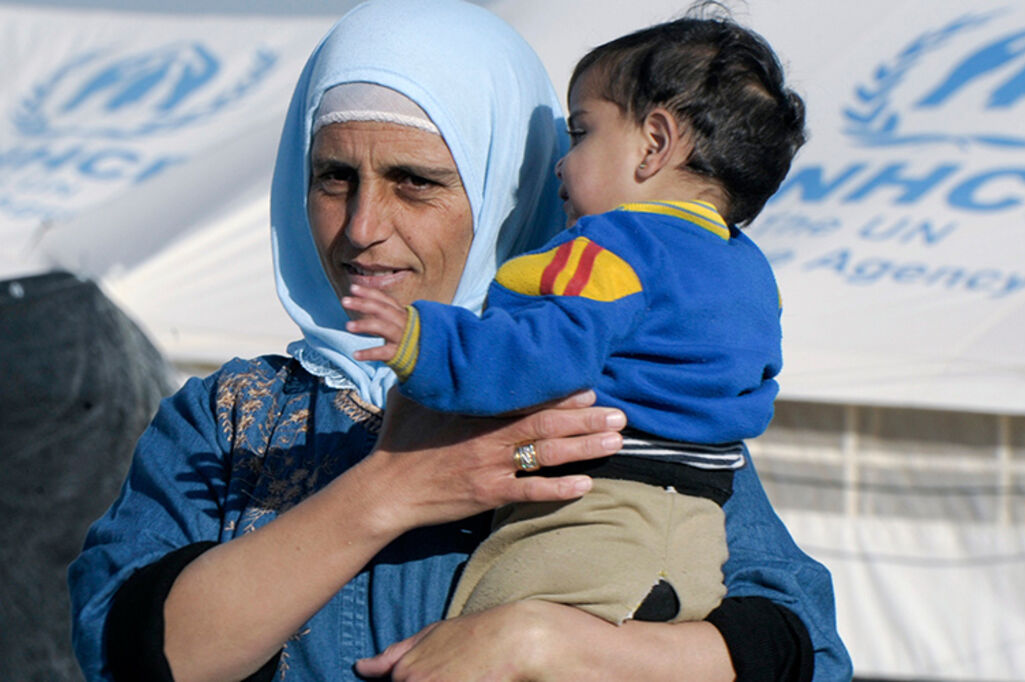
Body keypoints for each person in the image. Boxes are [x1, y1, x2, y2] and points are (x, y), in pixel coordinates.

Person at [68, 2, 852, 681]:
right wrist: (388, 491)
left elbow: (797, 648)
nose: (364, 229)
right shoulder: (232, 419)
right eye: (334, 177)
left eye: (416, 181)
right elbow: (132, 654)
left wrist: (544, 640)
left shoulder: (614, 399)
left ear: (512, 183)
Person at [343, 15, 805, 629]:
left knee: (473, 652)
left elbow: (542, 355)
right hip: (698, 537)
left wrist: (425, 342)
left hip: (589, 526)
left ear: (655, 144)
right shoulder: (749, 273)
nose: (561, 164)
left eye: (581, 133)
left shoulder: (614, 248)